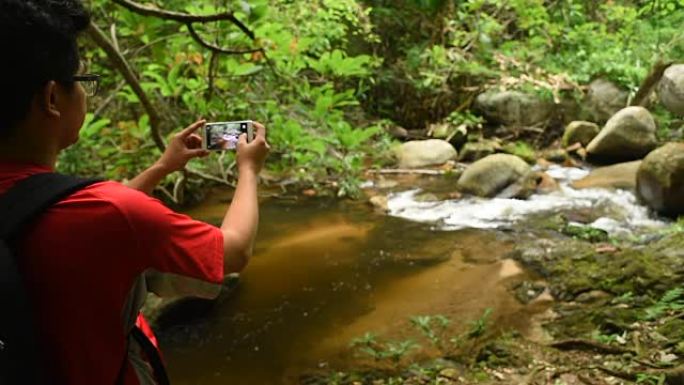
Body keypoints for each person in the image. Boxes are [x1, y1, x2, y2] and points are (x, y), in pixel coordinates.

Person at [0, 0, 270, 384]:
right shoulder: (111, 213)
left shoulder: (69, 208)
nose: (84, 92)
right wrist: (248, 168)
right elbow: (234, 251)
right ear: (51, 99)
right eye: (81, 81)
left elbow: (64, 212)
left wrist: (162, 167)